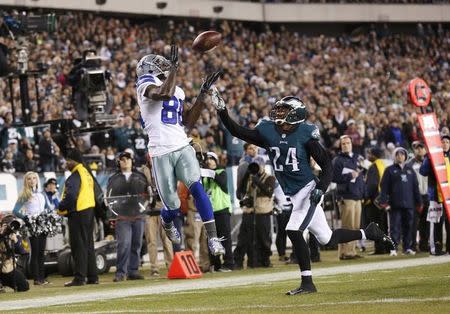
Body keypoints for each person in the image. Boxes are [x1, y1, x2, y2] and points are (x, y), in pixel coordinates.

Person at [212, 91, 394, 295]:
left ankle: (308, 282)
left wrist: (320, 188)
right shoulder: (268, 131)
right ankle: (368, 232)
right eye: (279, 108)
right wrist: (222, 111)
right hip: (295, 193)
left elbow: (326, 165)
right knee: (326, 238)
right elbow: (238, 131)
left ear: (295, 114)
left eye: (284, 109)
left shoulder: (305, 134)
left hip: (308, 190)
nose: (279, 112)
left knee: (293, 230)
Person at [135, 45, 224, 255]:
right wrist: (173, 69)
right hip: (160, 151)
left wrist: (203, 95)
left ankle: (213, 238)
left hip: (182, 144)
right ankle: (167, 222)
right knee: (173, 207)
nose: (164, 65)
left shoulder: (179, 89)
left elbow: (188, 123)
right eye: (158, 64)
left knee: (197, 187)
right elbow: (163, 94)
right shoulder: (144, 83)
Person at [57, 149, 98, 287]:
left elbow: (71, 196)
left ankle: (80, 278)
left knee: (78, 246)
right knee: (88, 245)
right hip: (89, 211)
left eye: (68, 161)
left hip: (78, 212)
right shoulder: (86, 173)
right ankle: (93, 276)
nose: (66, 163)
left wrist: (61, 206)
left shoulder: (75, 176)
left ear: (74, 161)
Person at [107, 151, 147, 282]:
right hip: (122, 217)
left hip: (138, 215)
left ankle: (133, 271)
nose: (125, 161)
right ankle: (120, 272)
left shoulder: (140, 176)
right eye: (122, 159)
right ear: (118, 162)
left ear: (132, 161)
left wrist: (144, 206)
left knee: (136, 244)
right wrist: (114, 212)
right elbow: (110, 197)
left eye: (128, 159)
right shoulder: (113, 179)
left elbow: (146, 194)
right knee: (123, 244)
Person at [378, 147, 422, 256]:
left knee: (409, 227)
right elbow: (384, 187)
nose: (400, 156)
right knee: (394, 228)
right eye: (397, 154)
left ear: (405, 156)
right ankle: (393, 249)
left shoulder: (410, 170)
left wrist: (419, 202)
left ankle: (407, 248)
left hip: (409, 204)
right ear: (394, 156)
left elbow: (415, 187)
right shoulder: (389, 170)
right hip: (394, 204)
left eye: (402, 154)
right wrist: (384, 202)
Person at [234, 156, 275, 268]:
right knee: (244, 238)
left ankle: (264, 260)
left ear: (262, 166)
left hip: (263, 212)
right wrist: (246, 176)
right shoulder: (249, 179)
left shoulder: (269, 178)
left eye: (258, 165)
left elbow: (269, 192)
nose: (255, 168)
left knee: (263, 239)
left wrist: (258, 182)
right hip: (250, 212)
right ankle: (244, 262)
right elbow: (240, 193)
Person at [13, 171, 51, 286]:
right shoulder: (25, 194)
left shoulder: (41, 194)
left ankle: (42, 278)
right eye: (29, 178)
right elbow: (15, 210)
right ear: (26, 181)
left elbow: (46, 208)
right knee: (35, 252)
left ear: (37, 180)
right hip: (32, 225)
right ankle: (36, 279)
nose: (32, 180)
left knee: (41, 252)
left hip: (43, 225)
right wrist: (26, 218)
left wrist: (48, 215)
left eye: (34, 178)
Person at [332, 135, 365, 260]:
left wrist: (363, 192)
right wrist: (349, 176)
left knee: (355, 226)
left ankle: (351, 250)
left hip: (357, 195)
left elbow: (361, 176)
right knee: (348, 225)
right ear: (340, 145)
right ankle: (345, 252)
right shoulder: (338, 160)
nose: (346, 145)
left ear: (352, 144)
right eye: (343, 143)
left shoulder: (357, 158)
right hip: (346, 196)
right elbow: (334, 178)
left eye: (348, 143)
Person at [140, 157, 173, 277]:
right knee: (151, 241)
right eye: (149, 156)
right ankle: (154, 268)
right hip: (149, 210)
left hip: (163, 208)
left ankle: (171, 265)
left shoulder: (164, 168)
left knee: (167, 240)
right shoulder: (143, 171)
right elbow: (140, 187)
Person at [201, 152, 234, 272]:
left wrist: (208, 172)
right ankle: (215, 264)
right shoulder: (204, 176)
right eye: (207, 159)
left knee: (224, 238)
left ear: (216, 161)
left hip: (222, 210)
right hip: (209, 213)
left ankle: (229, 263)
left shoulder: (221, 172)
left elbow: (222, 182)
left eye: (211, 159)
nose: (209, 161)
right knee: (212, 239)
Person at [419, 135, 450, 255]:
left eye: (448, 142)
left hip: (449, 197)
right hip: (436, 197)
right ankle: (436, 248)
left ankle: (449, 248)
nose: (446, 144)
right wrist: (430, 158)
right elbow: (423, 171)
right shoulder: (433, 157)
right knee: (436, 223)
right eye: (443, 142)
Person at [363, 147, 389, 254]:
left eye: (370, 153)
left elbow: (372, 185)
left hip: (374, 201)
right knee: (383, 225)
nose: (368, 156)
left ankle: (380, 248)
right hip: (382, 199)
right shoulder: (383, 165)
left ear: (374, 155)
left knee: (376, 225)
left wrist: (366, 197)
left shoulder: (373, 167)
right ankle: (386, 247)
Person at [406, 141, 429, 252]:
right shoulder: (409, 164)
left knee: (426, 222)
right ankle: (412, 245)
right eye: (416, 148)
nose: (419, 150)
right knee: (413, 223)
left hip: (428, 195)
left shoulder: (429, 162)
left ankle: (424, 245)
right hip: (415, 197)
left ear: (425, 149)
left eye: (421, 148)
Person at [0, 215, 30, 292]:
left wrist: (16, 241)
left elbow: (24, 251)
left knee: (24, 286)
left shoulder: (14, 236)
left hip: (8, 269)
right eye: (5, 225)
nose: (7, 228)